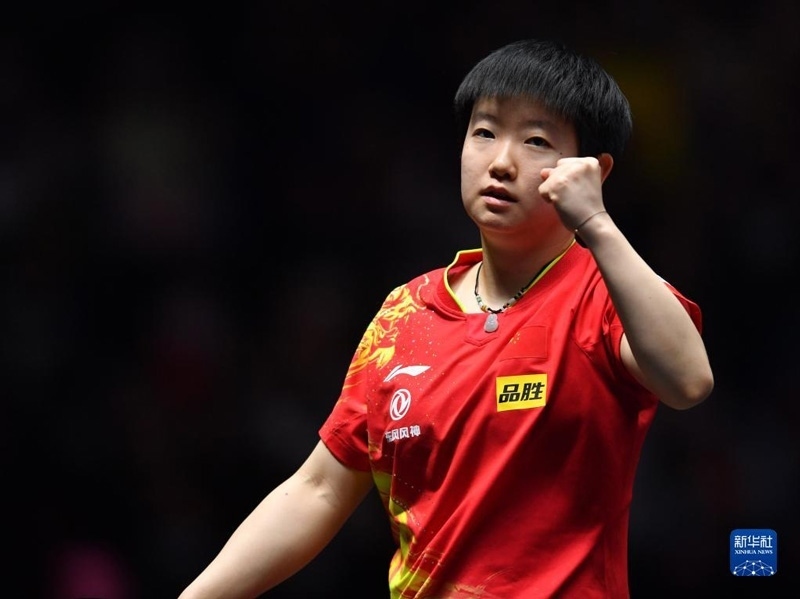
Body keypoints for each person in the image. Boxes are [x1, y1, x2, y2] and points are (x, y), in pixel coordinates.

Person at [177, 38, 714, 599]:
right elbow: (320, 490)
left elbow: (688, 380)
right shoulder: (404, 314)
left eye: (536, 141)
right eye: (484, 132)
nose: (501, 161)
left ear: (591, 171)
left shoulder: (607, 293)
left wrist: (596, 222)